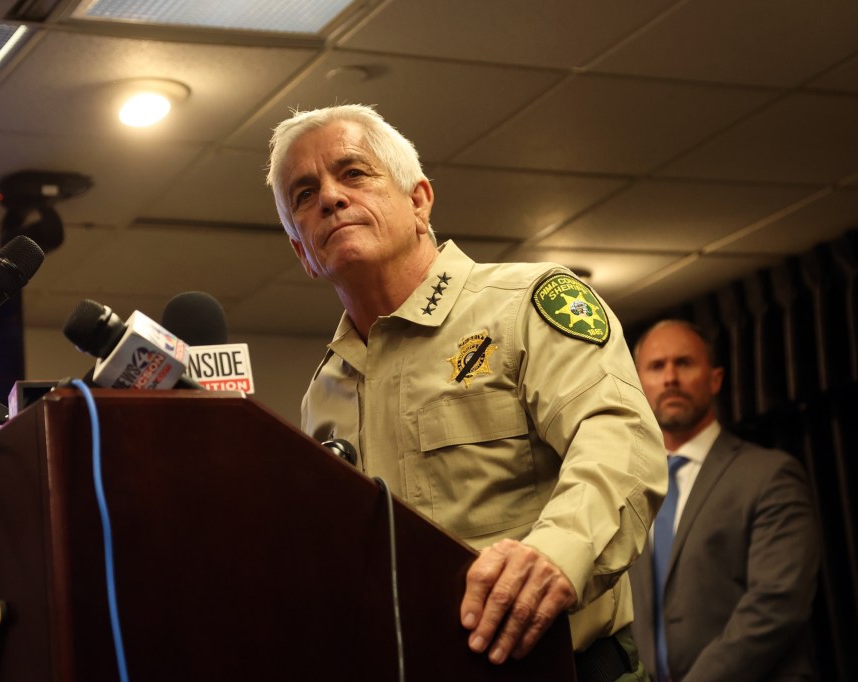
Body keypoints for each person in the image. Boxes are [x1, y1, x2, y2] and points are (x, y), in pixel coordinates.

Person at [266, 104, 666, 680]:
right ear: (303, 252)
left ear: (419, 201)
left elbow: (620, 440)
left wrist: (557, 555)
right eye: (304, 195)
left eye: (353, 173)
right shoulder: (325, 393)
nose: (329, 197)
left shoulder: (526, 304)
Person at [629, 320, 820, 681]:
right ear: (638, 384)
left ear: (715, 379)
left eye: (684, 363)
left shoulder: (769, 475)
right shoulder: (629, 487)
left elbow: (778, 603)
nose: (670, 377)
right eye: (656, 366)